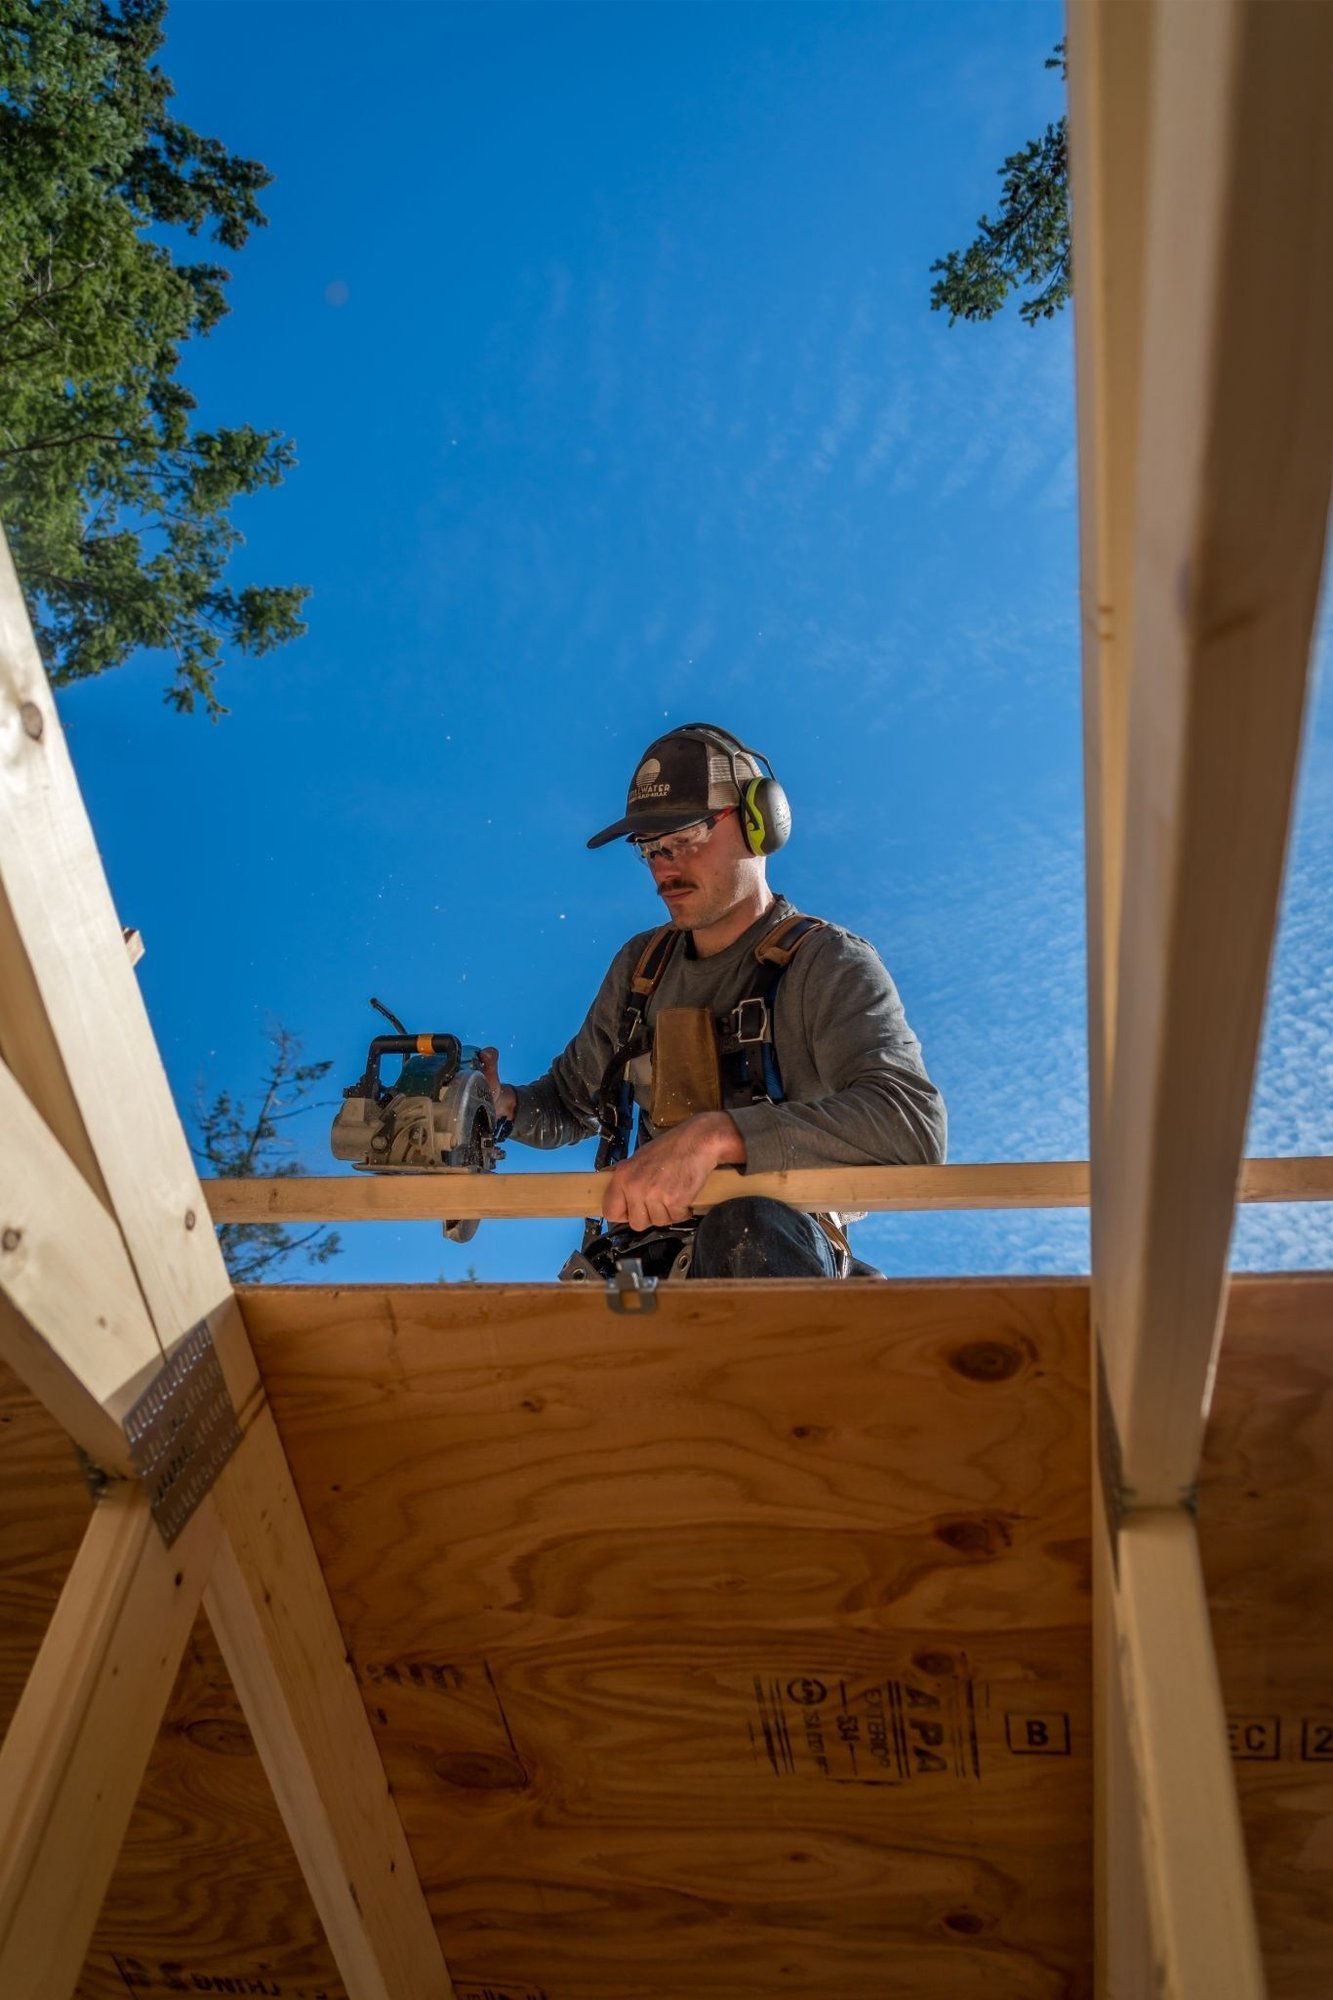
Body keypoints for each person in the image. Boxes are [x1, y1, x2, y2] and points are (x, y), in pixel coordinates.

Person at [480, 723, 946, 1279]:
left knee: (747, 1228)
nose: (662, 867)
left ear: (759, 825)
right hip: (650, 1269)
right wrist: (501, 1105)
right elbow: (568, 1102)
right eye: (649, 849)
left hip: (775, 1262)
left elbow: (910, 1125)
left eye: (686, 837)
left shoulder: (826, 963)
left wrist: (717, 1136)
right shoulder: (642, 968)